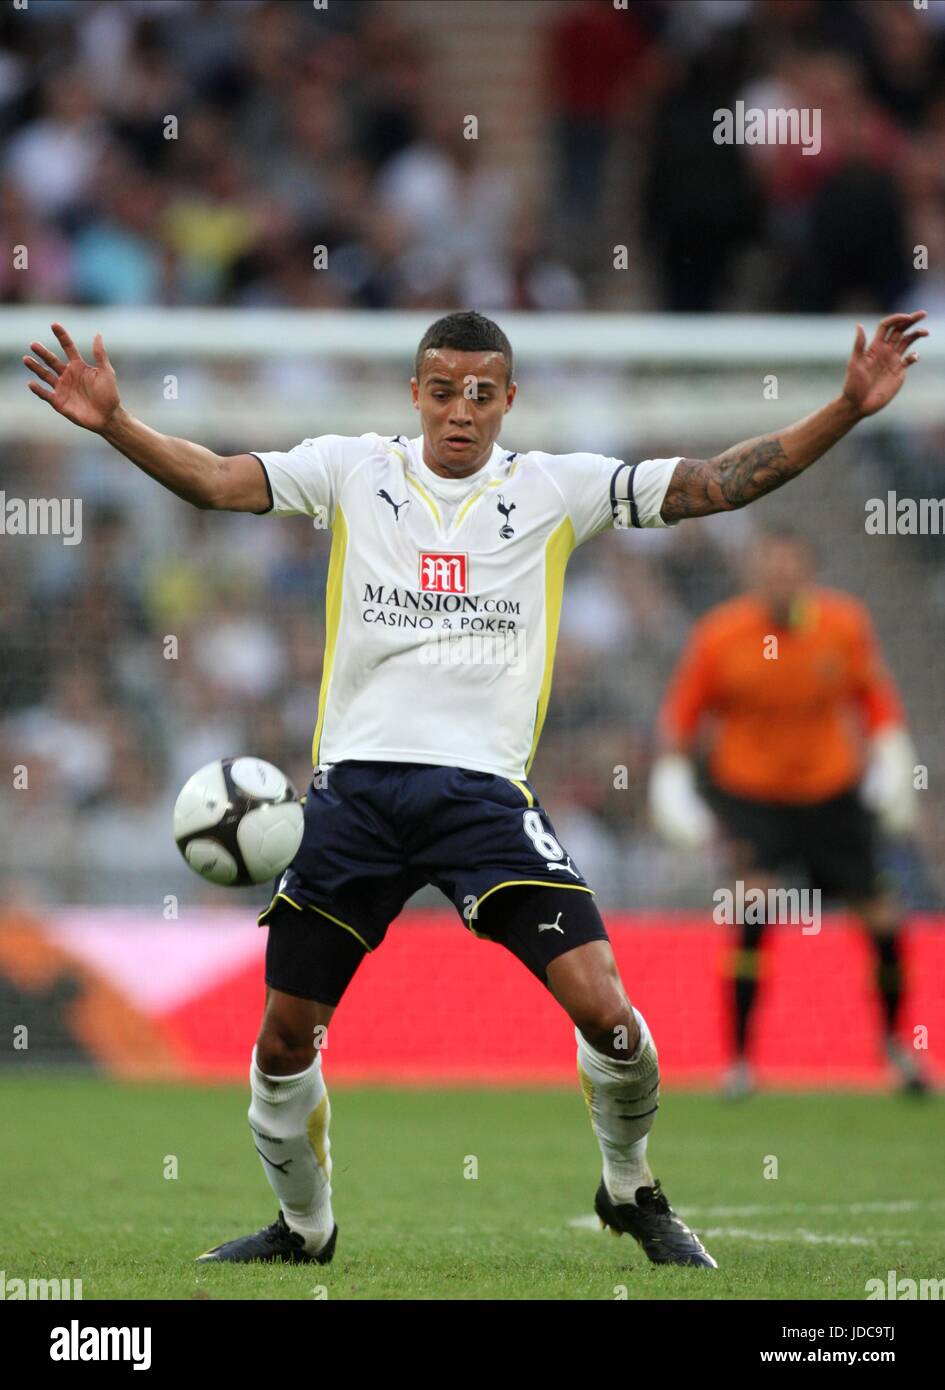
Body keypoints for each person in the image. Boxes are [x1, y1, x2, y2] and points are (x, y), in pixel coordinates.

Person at [24, 307, 927, 1269]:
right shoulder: (350, 470)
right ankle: (304, 1227)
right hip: (352, 801)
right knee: (285, 1038)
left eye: (482, 393)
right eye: (445, 390)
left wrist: (844, 408)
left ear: (508, 401)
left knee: (608, 1015)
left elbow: (716, 485)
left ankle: (630, 1188)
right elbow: (213, 481)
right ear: (416, 393)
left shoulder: (555, 489)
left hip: (483, 803)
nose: (462, 411)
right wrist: (116, 423)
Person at [650, 528, 928, 1098]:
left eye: (790, 567)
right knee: (753, 912)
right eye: (769, 567)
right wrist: (671, 779)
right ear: (754, 573)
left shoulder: (843, 626)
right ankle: (740, 1061)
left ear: (808, 572)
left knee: (880, 917)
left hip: (832, 793)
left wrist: (894, 757)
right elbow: (682, 718)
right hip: (755, 798)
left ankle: (898, 1046)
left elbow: (874, 702)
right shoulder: (720, 635)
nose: (780, 577)